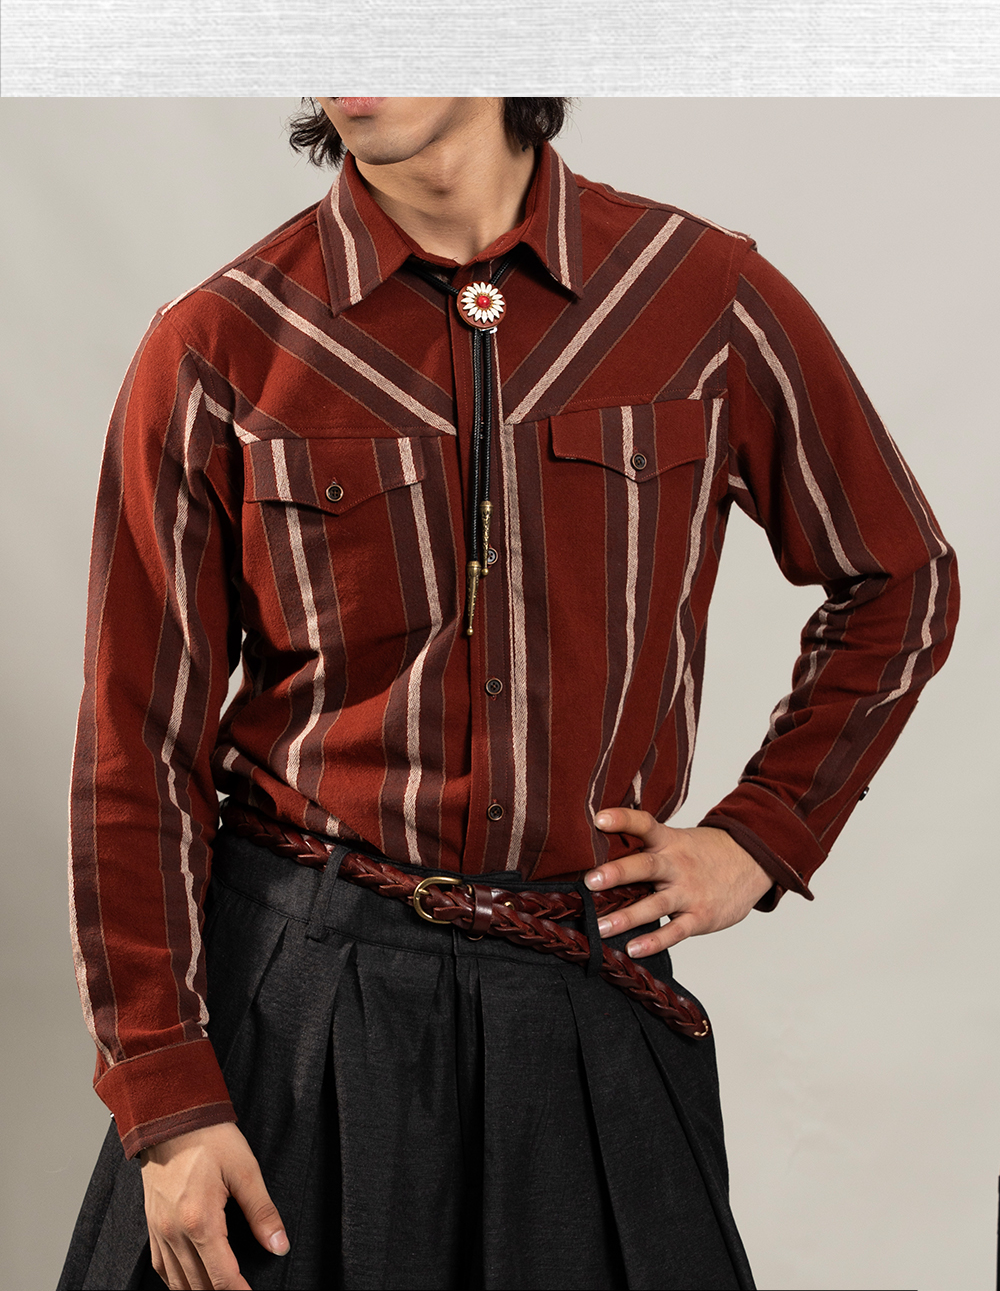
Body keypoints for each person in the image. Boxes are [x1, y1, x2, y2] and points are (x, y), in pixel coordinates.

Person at [59, 96, 958, 1291]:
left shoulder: (696, 298)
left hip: (585, 998)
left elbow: (899, 578)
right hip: (297, 1005)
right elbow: (135, 747)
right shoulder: (223, 344)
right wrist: (165, 1096)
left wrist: (762, 834)